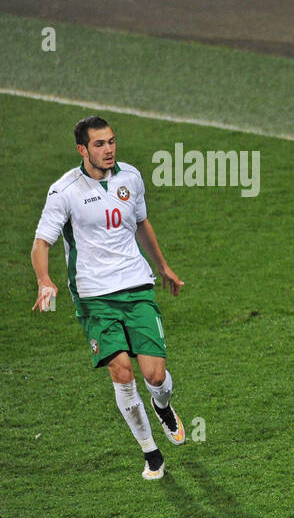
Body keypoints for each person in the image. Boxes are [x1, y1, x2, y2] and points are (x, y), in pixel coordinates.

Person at [31, 116, 186, 480]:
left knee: (156, 375)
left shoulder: (130, 177)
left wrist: (162, 267)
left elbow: (142, 223)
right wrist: (44, 280)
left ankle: (162, 405)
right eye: (99, 144)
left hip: (136, 287)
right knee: (122, 371)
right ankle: (151, 453)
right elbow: (42, 242)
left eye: (112, 141)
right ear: (82, 150)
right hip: (94, 297)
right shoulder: (64, 191)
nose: (109, 149)